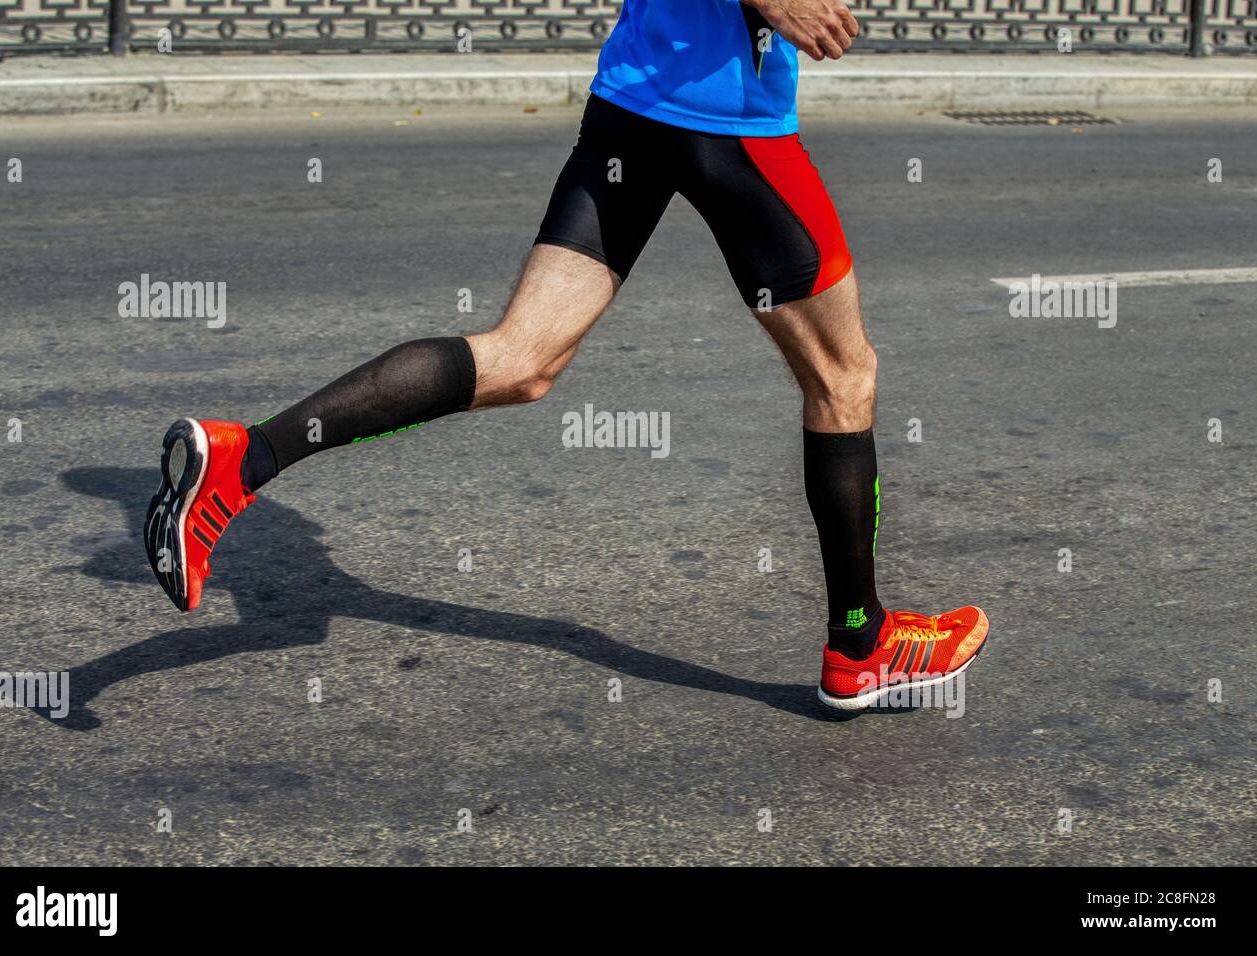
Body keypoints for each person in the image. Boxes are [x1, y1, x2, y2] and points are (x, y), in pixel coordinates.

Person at [144, 0, 988, 711]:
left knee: (520, 360)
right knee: (845, 376)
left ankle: (245, 457)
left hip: (633, 104)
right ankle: (861, 644)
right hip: (726, 119)